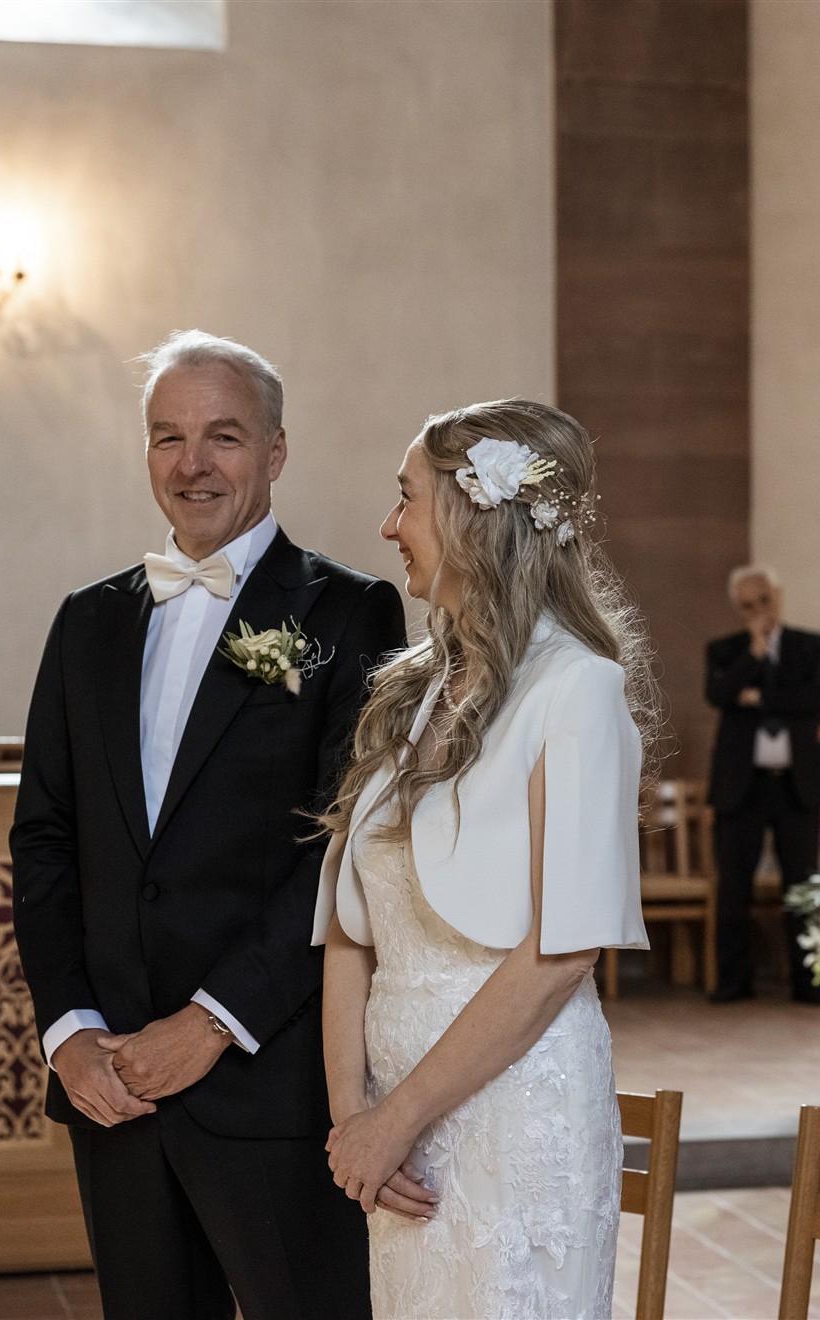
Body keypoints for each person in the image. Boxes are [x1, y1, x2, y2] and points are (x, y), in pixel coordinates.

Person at [10, 331, 407, 1320]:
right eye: (168, 437)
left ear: (275, 451)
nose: (193, 465)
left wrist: (212, 1022)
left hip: (269, 1081)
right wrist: (69, 1032)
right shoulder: (86, 621)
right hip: (113, 1088)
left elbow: (343, 853)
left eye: (223, 437)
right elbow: (44, 838)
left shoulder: (348, 614)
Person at [313, 399, 656, 1318]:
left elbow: (561, 955)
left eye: (406, 498)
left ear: (477, 514)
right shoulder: (408, 693)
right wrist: (353, 1119)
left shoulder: (576, 688)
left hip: (513, 1109)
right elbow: (349, 928)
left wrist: (394, 1119)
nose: (388, 526)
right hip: (390, 1131)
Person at [703, 566, 820, 1003]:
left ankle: (810, 982)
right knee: (733, 887)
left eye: (763, 600)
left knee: (803, 887)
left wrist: (757, 696)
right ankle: (733, 981)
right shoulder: (725, 650)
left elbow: (815, 698)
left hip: (798, 785)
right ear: (737, 610)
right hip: (741, 787)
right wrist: (753, 656)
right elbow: (717, 694)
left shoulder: (809, 645)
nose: (758, 611)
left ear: (777, 598)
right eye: (747, 606)